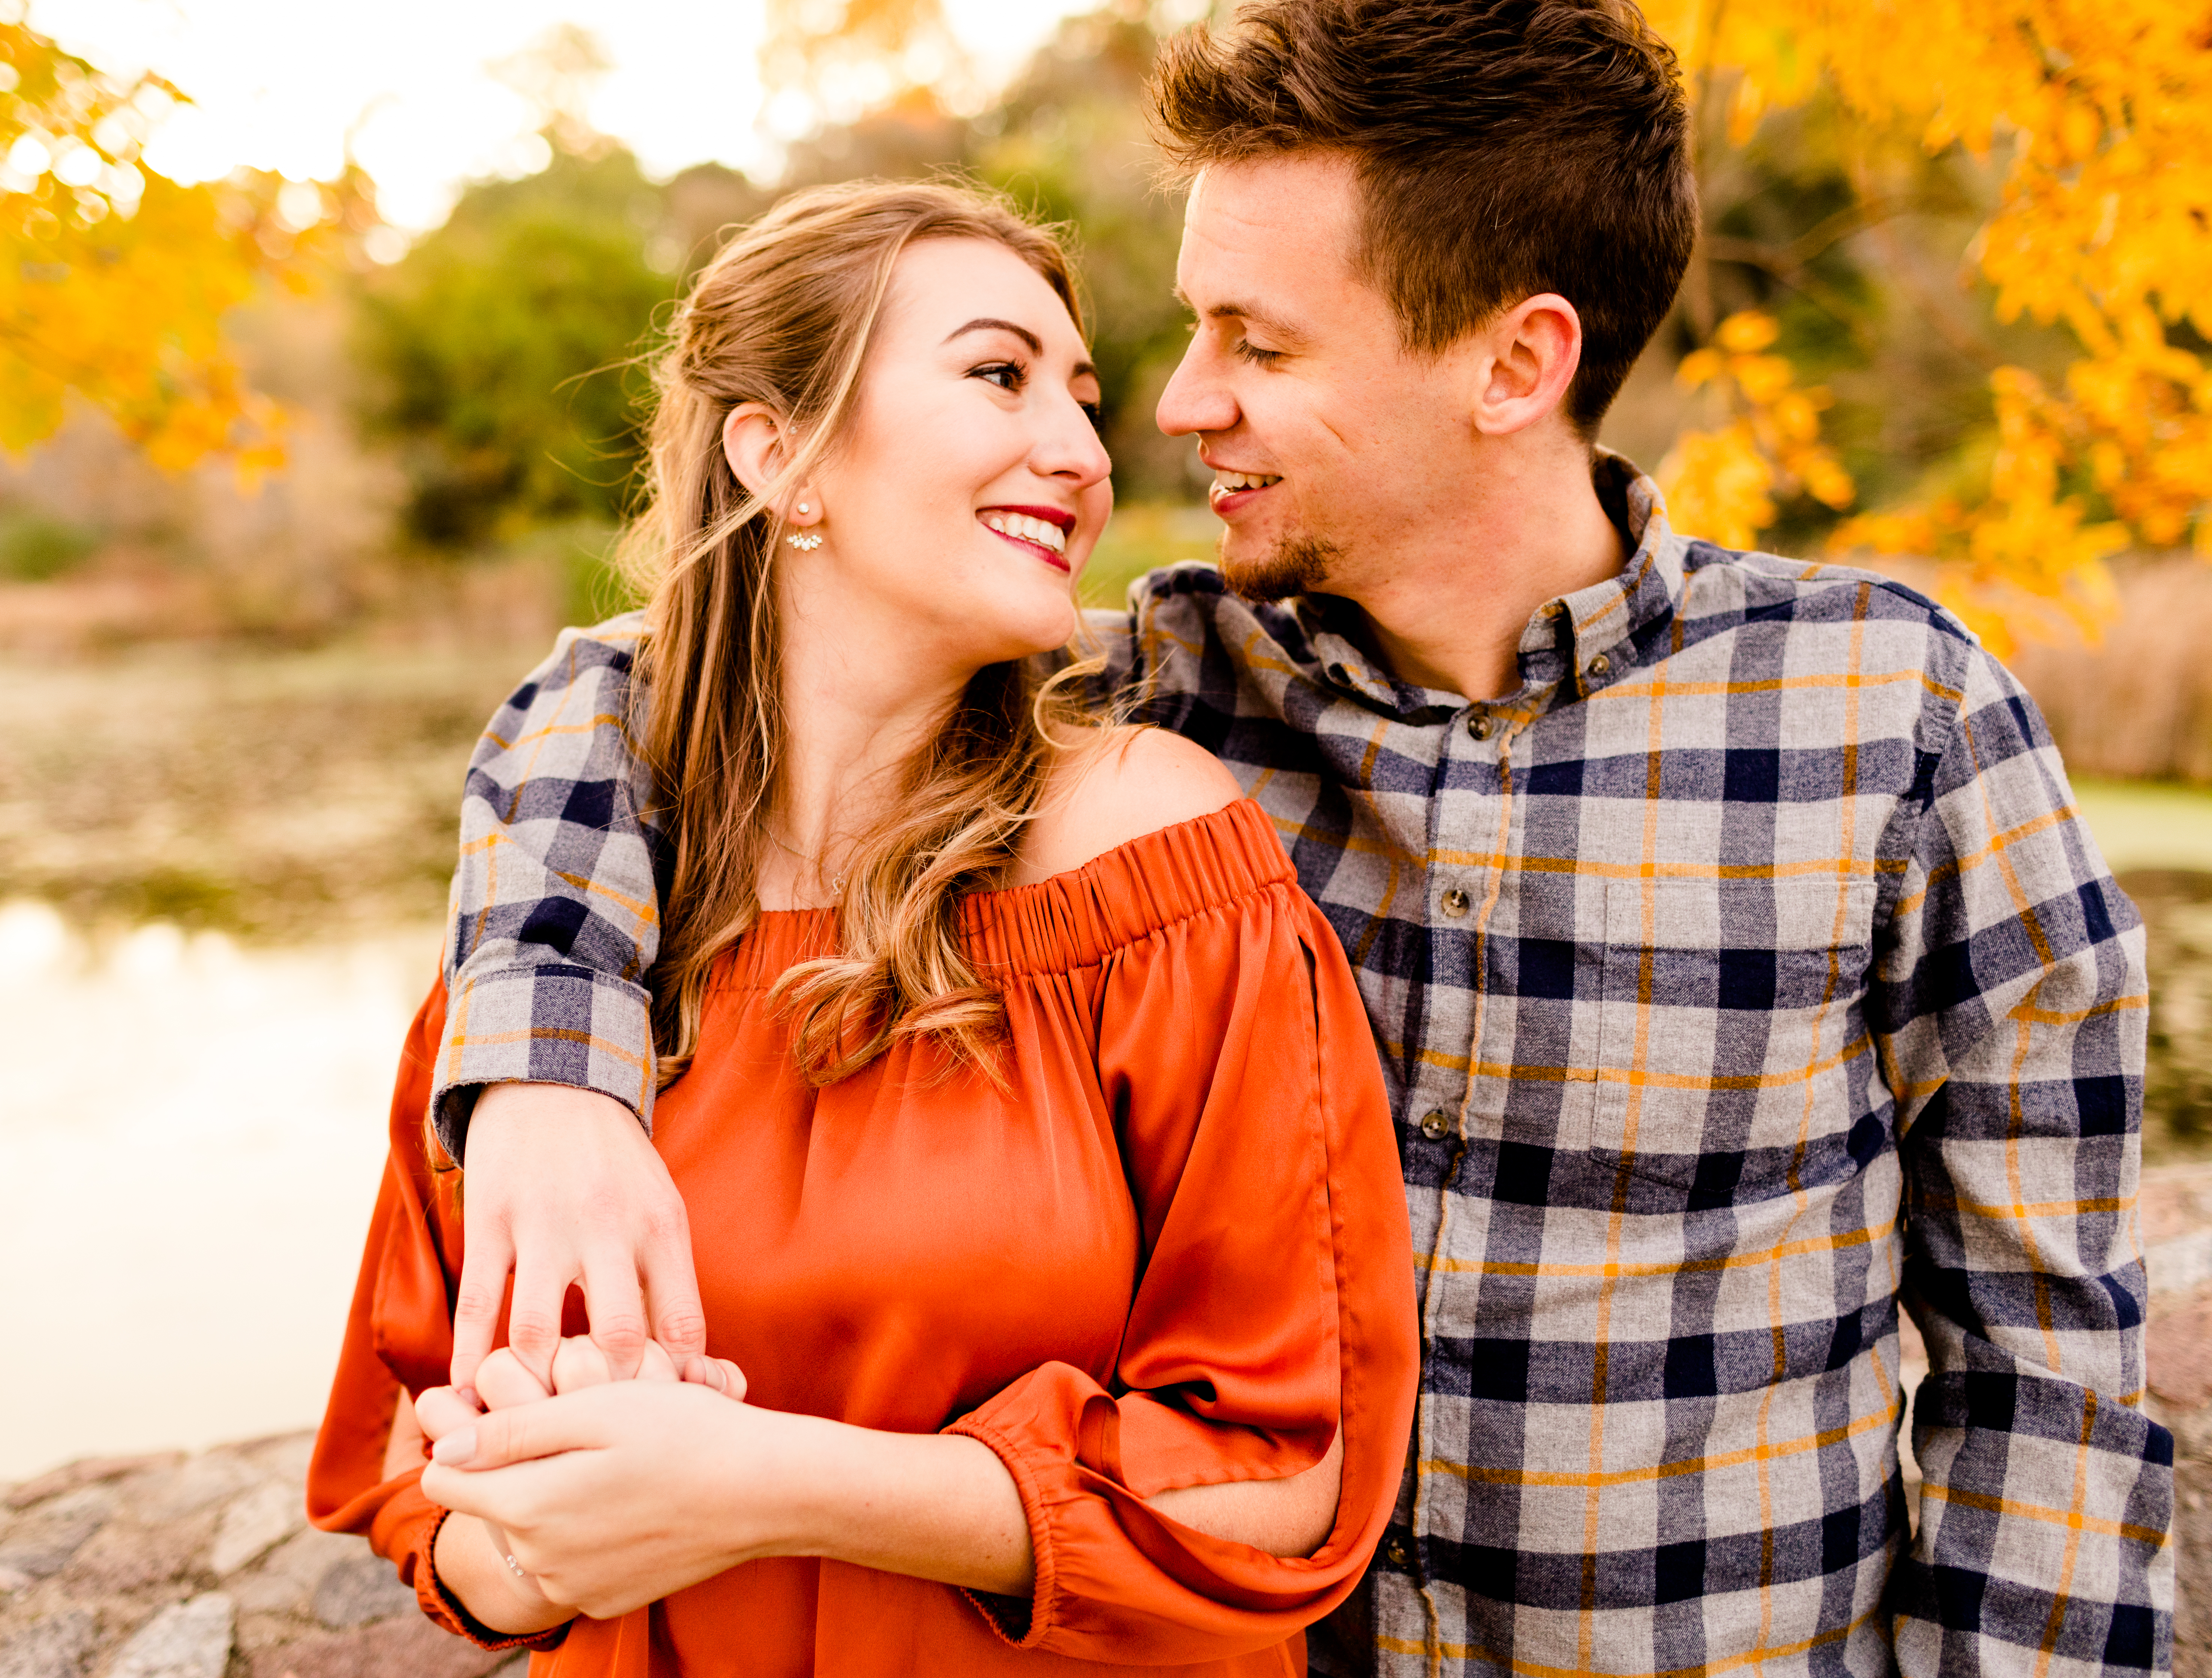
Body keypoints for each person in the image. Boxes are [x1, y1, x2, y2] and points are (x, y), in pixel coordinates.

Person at [408, 1, 2172, 1674]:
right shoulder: (1149, 705)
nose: (1178, 404)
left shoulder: (1896, 720)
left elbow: (2048, 1364)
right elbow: (654, 689)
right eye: (1190, 330)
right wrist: (550, 1073)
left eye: (1258, 342)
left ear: (1515, 361)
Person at [306, 179, 1424, 1672]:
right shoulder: (560, 938)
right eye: (998, 374)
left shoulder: (1156, 857)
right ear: (783, 455)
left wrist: (764, 1488)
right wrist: (531, 1536)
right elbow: (408, 1481)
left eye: (1081, 398)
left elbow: (1290, 1472)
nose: (1084, 454)